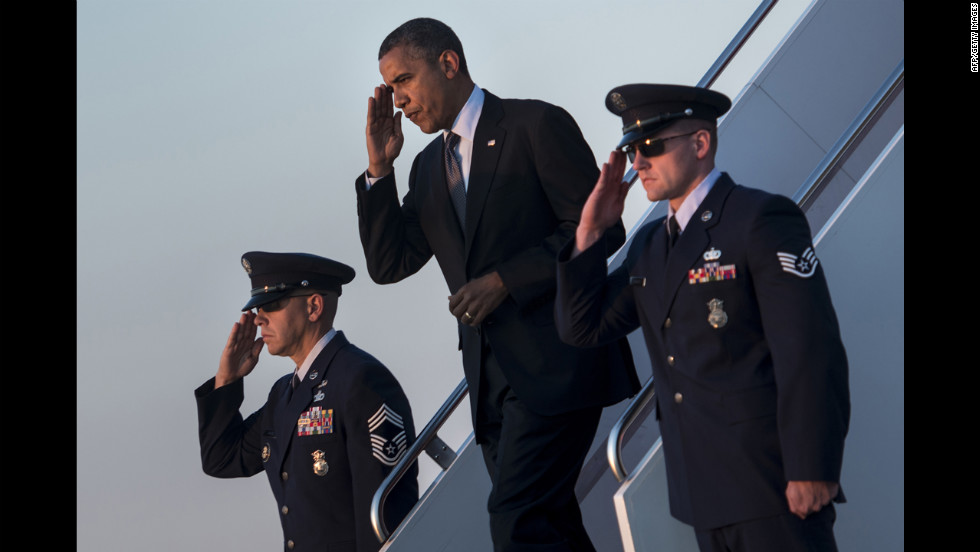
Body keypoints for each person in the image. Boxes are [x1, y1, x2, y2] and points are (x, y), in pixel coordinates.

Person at [354, 17, 639, 552]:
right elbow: (389, 263)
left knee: (515, 521)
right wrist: (378, 170)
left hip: (557, 366)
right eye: (391, 88)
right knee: (549, 527)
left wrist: (507, 279)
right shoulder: (425, 169)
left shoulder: (535, 126)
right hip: (490, 391)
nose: (399, 102)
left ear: (448, 63)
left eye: (403, 81)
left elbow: (601, 229)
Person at [555, 84, 850, 552]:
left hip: (773, 483)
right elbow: (581, 326)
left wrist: (811, 467)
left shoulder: (759, 218)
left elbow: (810, 350)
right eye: (632, 149)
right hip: (703, 492)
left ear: (700, 143)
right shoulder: (650, 245)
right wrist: (589, 231)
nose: (637, 163)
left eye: (651, 146)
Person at [194, 251, 418, 552]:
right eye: (258, 307)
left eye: (271, 305)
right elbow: (221, 459)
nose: (259, 318)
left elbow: (384, 511)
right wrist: (227, 380)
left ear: (313, 306)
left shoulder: (360, 380)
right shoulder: (283, 394)